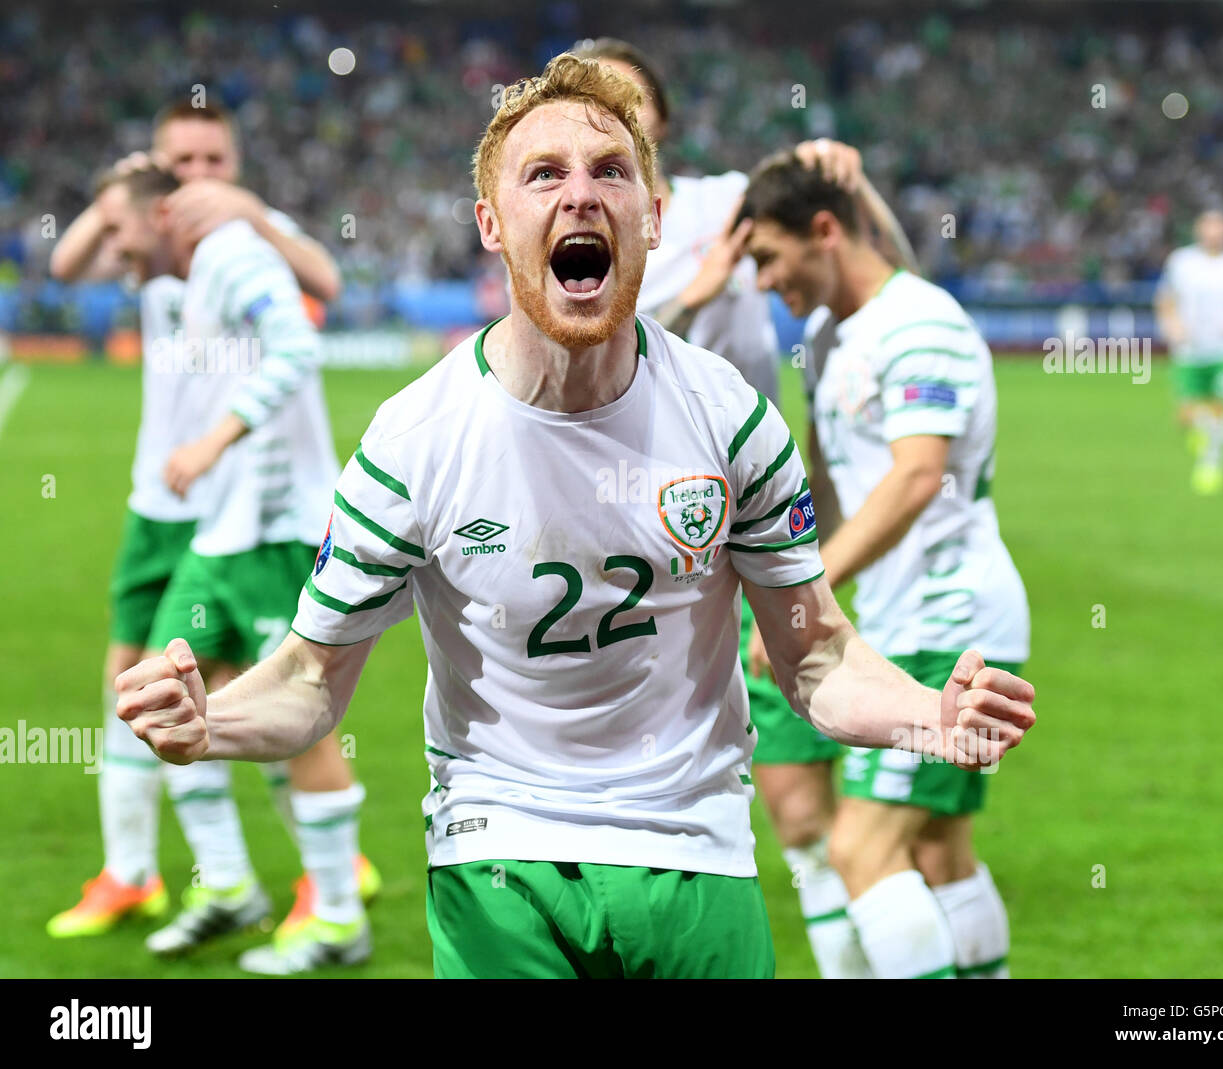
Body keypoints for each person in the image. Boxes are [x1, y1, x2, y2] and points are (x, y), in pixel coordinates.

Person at [117, 54, 1035, 980]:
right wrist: (212, 721)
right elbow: (312, 678)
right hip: (498, 858)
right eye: (544, 174)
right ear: (491, 223)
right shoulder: (412, 441)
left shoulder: (731, 419)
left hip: (696, 852)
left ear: (654, 217)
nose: (581, 195)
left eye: (610, 171)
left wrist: (930, 712)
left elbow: (819, 656)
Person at [577, 36, 917, 978]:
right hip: (614, 516)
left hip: (747, 509)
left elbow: (866, 242)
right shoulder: (573, 226)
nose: (612, 122)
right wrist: (695, 291)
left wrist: (851, 180)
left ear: (663, 128)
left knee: (811, 767)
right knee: (763, 797)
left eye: (630, 109)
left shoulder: (729, 200)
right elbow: (593, 354)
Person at [46, 99, 377, 954]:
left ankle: (337, 910)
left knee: (296, 713)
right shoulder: (183, 267)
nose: (117, 256)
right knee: (168, 695)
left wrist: (214, 437)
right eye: (178, 163)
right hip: (214, 524)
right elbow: (74, 256)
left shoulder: (237, 247)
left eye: (123, 233)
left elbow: (300, 345)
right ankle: (227, 883)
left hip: (270, 525)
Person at [740, 151, 1030, 979]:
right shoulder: (835, 336)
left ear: (824, 231)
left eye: (769, 257)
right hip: (912, 618)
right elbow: (837, 482)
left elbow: (916, 475)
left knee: (862, 848)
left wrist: (809, 588)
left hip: (950, 620)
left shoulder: (919, 323)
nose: (762, 280)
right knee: (939, 852)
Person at [1154, 209, 1223, 495]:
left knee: (1220, 408)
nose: (1214, 234)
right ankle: (1201, 431)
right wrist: (1171, 325)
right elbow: (1165, 299)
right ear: (1199, 231)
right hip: (1188, 350)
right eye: (1208, 228)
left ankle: (1211, 465)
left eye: (1219, 228)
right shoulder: (1181, 262)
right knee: (1185, 415)